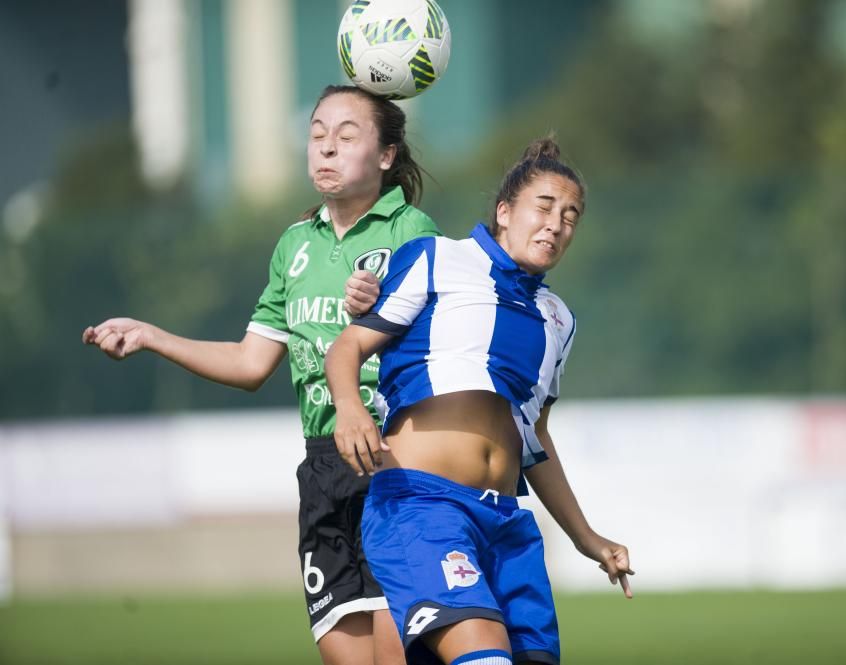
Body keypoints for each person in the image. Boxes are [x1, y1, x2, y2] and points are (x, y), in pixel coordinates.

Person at [82, 84, 441, 665]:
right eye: (317, 135)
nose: (325, 148)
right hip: (323, 469)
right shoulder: (293, 246)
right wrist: (152, 336)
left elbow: (441, 339)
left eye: (346, 136)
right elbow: (251, 364)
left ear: (385, 155)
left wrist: (381, 306)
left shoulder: (412, 231)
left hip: (393, 461)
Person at [325, 137, 633, 665]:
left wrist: (587, 538)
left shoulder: (559, 319)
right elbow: (349, 345)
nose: (557, 224)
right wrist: (350, 409)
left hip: (508, 525)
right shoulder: (437, 258)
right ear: (504, 211)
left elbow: (536, 439)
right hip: (423, 506)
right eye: (544, 206)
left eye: (571, 215)